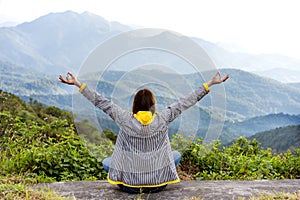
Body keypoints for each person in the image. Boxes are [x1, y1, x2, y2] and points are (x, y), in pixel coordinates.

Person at [59, 71, 229, 193]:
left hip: (128, 187)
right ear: (153, 105)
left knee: (107, 162)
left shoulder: (124, 118)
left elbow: (100, 102)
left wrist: (78, 84)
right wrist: (210, 84)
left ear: (135, 105)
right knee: (175, 155)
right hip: (158, 184)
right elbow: (186, 102)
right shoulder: (164, 118)